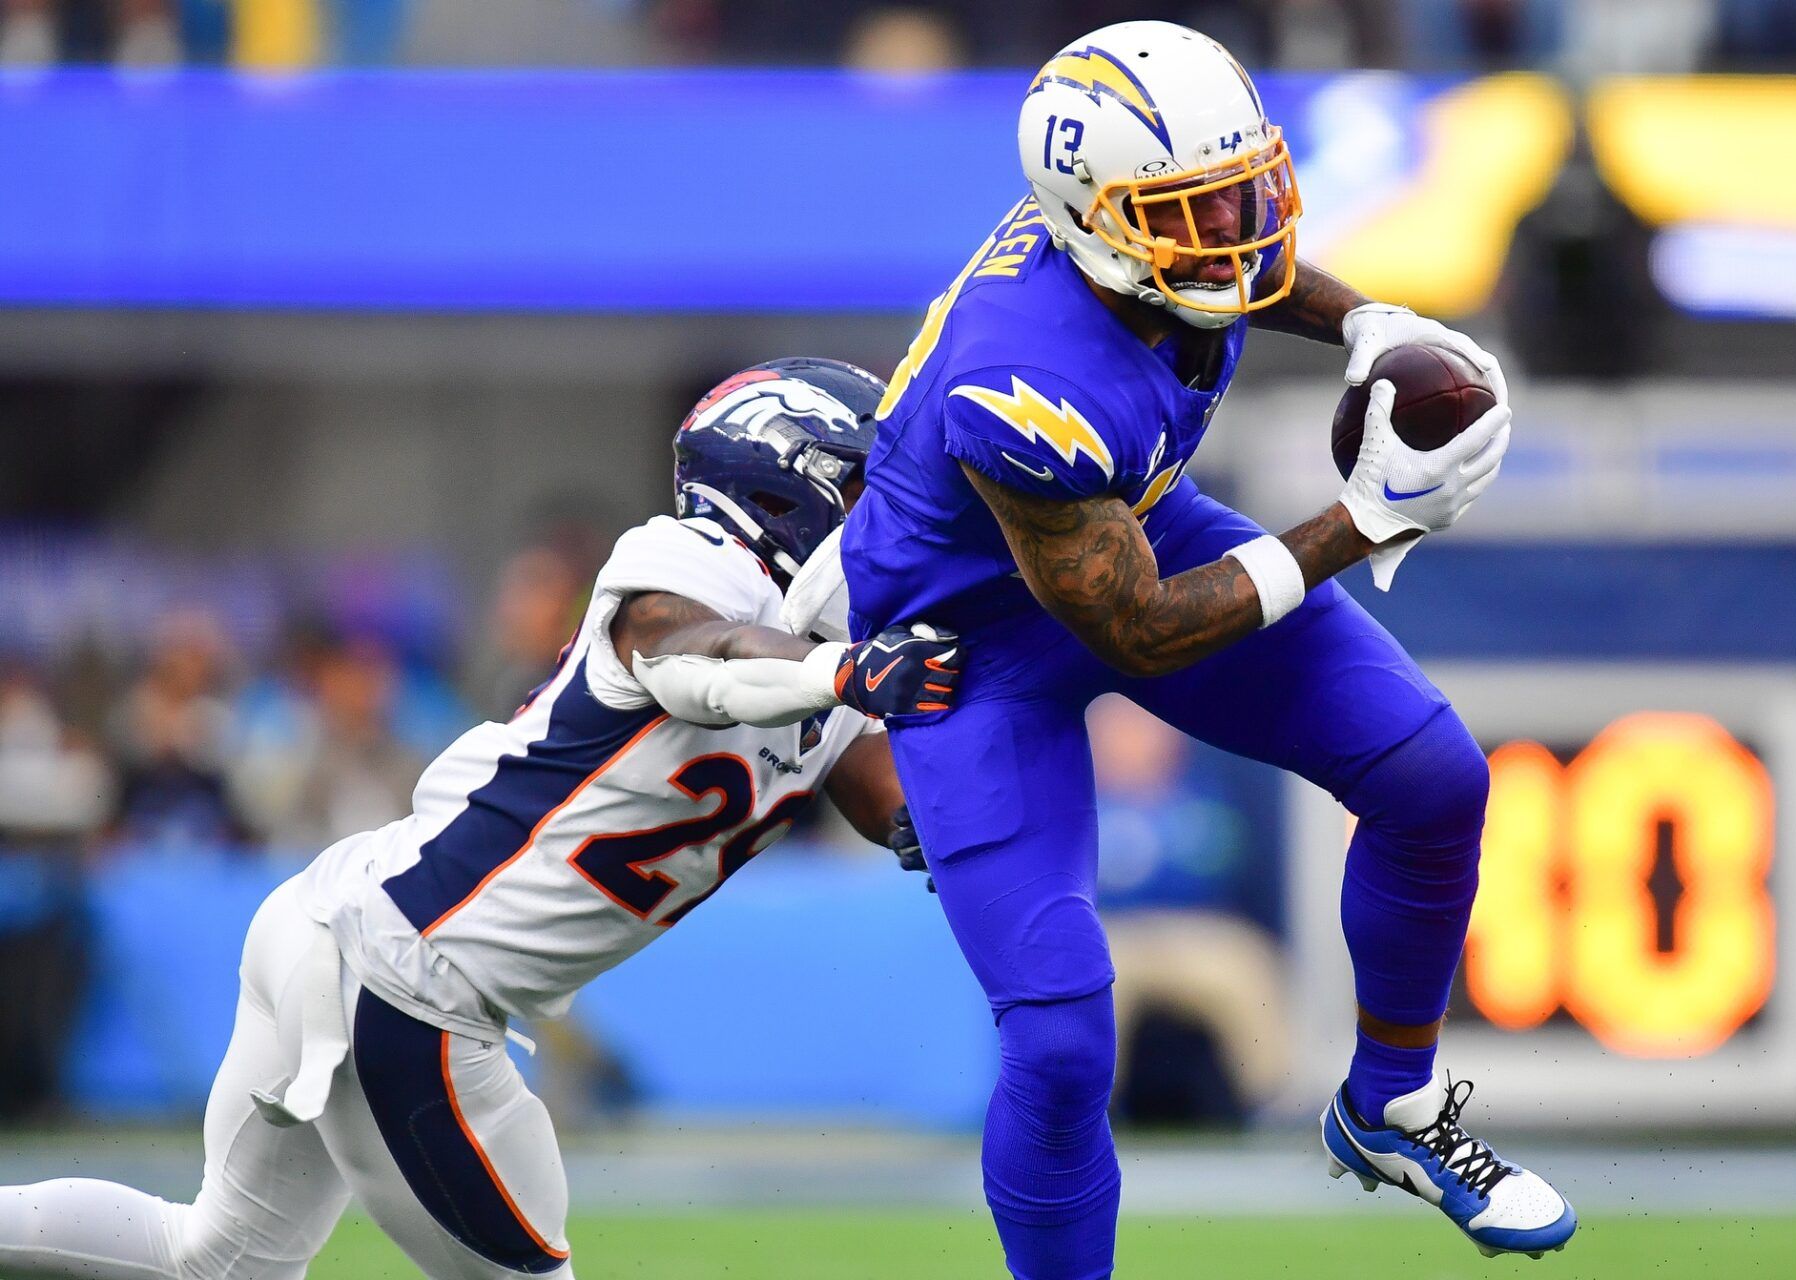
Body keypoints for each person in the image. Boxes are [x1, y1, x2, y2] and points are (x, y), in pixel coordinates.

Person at [840, 21, 1571, 1278]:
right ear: (1097, 226)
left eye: (1240, 188)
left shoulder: (1154, 247)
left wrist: (1376, 324)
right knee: (1064, 1045)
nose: (1236, 226)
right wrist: (1369, 518)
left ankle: (1392, 1102)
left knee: (1436, 777)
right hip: (971, 646)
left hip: (1131, 529)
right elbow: (1140, 631)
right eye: (1192, 208)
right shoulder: (1024, 376)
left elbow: (1251, 263)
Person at [0, 357, 963, 1280]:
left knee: (217, 1259)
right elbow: (699, 655)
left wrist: (962, 810)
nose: (886, 517)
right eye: (866, 487)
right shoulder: (688, 563)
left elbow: (893, 796)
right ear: (786, 488)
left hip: (354, 925)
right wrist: (842, 672)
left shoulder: (828, 663)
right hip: (413, 976)